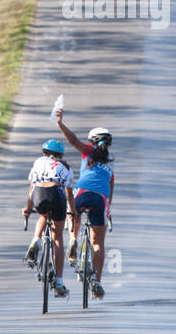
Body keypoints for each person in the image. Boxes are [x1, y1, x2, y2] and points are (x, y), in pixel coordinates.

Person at [55, 114, 114, 298]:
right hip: (100, 199)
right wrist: (108, 213)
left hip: (81, 192)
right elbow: (110, 194)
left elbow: (72, 140)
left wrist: (60, 123)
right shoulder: (111, 167)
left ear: (92, 141)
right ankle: (96, 281)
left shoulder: (88, 151)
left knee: (73, 213)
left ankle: (73, 239)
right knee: (98, 244)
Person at [22, 139, 74, 298]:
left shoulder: (38, 162)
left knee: (43, 215)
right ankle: (58, 281)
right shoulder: (65, 167)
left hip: (38, 195)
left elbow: (32, 187)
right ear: (60, 155)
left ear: (44, 153)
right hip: (56, 195)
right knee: (57, 237)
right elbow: (69, 194)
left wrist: (28, 209)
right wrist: (72, 212)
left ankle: (35, 241)